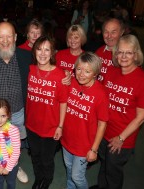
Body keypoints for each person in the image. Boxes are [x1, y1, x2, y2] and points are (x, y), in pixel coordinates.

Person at [0, 21, 32, 184]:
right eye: (0, 37)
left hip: (19, 112)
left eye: (8, 36)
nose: (5, 40)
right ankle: (0, 167)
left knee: (16, 144)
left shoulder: (26, 56)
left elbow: (46, 69)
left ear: (15, 37)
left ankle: (14, 166)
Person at [97, 34, 144, 189]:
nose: (123, 56)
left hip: (121, 137)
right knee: (105, 164)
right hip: (104, 131)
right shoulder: (112, 71)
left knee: (113, 172)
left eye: (129, 52)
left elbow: (141, 117)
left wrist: (121, 138)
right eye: (120, 52)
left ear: (136, 55)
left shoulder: (143, 80)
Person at [61, 52, 109, 189]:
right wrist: (65, 73)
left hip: (85, 145)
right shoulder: (71, 83)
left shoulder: (100, 93)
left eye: (87, 71)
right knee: (69, 170)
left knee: (77, 176)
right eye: (79, 69)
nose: (81, 74)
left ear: (95, 74)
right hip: (67, 139)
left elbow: (102, 123)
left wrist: (94, 150)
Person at [26, 35, 69, 189]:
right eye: (39, 49)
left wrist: (60, 126)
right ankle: (39, 178)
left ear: (52, 53)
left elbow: (64, 102)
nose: (43, 53)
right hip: (31, 125)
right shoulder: (30, 70)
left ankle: (47, 180)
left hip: (51, 127)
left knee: (47, 159)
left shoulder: (60, 76)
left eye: (47, 50)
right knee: (35, 156)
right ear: (34, 51)